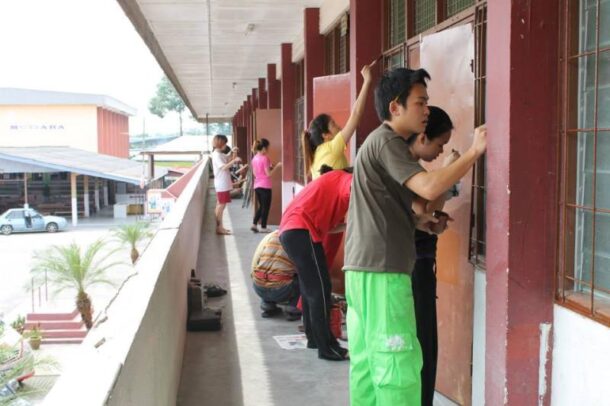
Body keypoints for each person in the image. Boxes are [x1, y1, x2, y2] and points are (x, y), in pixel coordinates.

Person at [344, 67, 487, 405]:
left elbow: (416, 204)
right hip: (383, 272)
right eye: (420, 102)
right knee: (398, 367)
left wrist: (422, 224)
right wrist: (472, 153)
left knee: (367, 366)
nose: (426, 110)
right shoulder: (387, 140)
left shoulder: (380, 144)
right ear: (396, 107)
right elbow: (429, 186)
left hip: (363, 270)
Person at [410, 106, 460, 406]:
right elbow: (422, 209)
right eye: (439, 144)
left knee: (424, 342)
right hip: (413, 266)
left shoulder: (414, 170)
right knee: (422, 343)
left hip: (418, 263)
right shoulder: (409, 170)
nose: (441, 151)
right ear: (423, 136)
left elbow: (421, 216)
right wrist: (449, 173)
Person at [279, 165, 353, 361]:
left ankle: (314, 339)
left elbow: (332, 227)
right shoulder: (346, 178)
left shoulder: (334, 181)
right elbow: (355, 188)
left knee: (310, 287)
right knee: (320, 288)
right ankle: (326, 347)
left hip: (293, 231)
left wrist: (351, 224)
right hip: (301, 231)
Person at [302, 60, 376, 180]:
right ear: (325, 135)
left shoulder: (315, 157)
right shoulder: (332, 148)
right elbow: (356, 114)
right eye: (333, 124)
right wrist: (367, 81)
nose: (339, 127)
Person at [250, 230, 301, 321]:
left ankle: (267, 305)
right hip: (281, 290)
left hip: (258, 286)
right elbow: (302, 268)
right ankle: (293, 308)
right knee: (303, 278)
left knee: (269, 271)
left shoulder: (271, 235)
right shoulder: (299, 239)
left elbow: (255, 261)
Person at [250, 138, 282, 233]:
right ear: (264, 148)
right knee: (265, 207)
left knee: (262, 206)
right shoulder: (265, 158)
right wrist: (278, 166)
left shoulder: (254, 158)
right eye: (267, 147)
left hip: (257, 185)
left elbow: (255, 173)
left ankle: (254, 224)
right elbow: (268, 174)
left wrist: (269, 167)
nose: (268, 149)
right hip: (265, 186)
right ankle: (263, 227)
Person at [211, 135, 241, 235]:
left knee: (220, 205)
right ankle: (219, 228)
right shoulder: (216, 155)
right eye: (225, 143)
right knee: (221, 205)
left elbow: (227, 159)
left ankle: (220, 226)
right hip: (221, 184)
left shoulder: (219, 153)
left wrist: (232, 152)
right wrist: (234, 160)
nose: (226, 145)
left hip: (223, 183)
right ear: (220, 144)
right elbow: (224, 167)